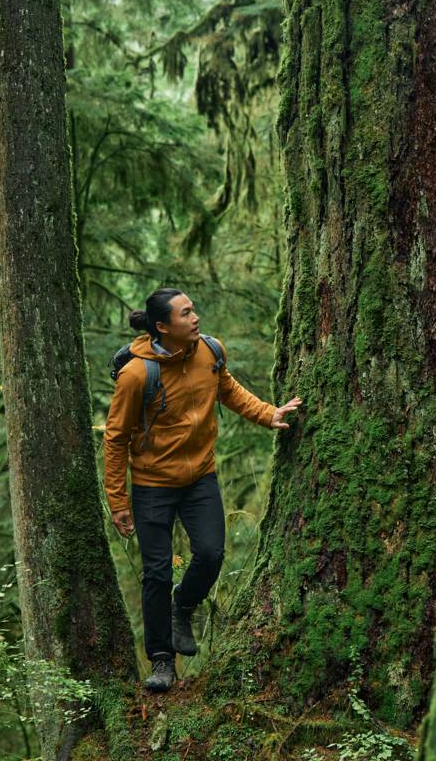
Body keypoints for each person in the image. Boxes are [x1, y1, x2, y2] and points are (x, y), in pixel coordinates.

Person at [103, 287, 301, 692]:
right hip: (152, 485)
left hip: (200, 479)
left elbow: (228, 391)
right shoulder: (137, 375)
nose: (195, 318)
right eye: (185, 314)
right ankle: (161, 660)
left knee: (210, 554)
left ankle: (184, 606)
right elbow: (115, 438)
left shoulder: (210, 351)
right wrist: (118, 501)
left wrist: (269, 414)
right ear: (162, 327)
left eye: (194, 310)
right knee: (156, 573)